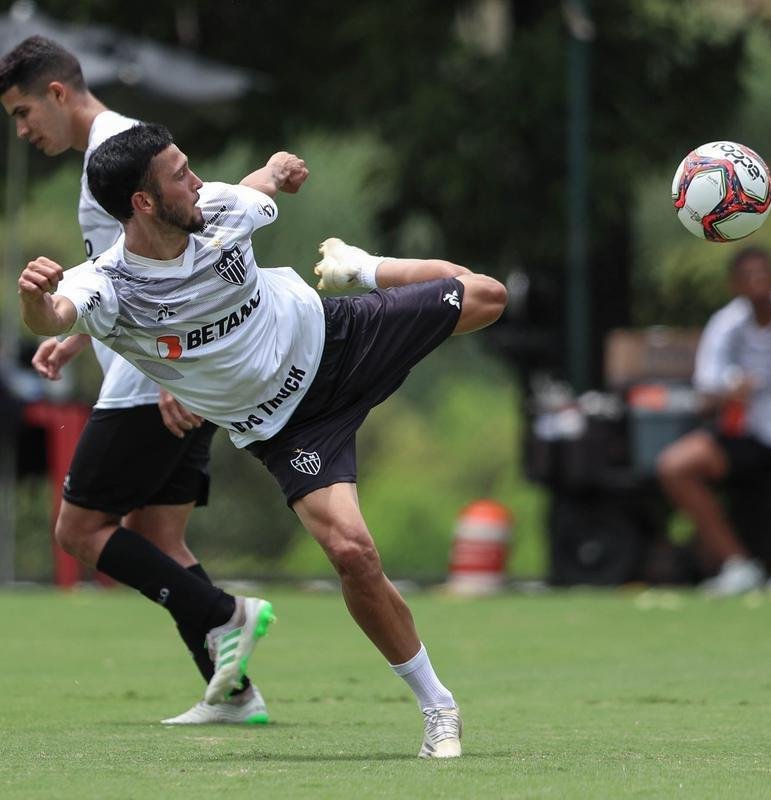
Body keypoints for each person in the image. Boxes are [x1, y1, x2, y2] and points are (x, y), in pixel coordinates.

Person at [18, 123, 507, 758]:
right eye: (179, 176)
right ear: (143, 203)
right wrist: (34, 299)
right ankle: (438, 706)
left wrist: (279, 168)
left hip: (338, 337)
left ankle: (362, 267)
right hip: (289, 427)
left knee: (488, 296)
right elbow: (54, 316)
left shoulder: (219, 207)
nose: (195, 183)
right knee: (353, 554)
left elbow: (257, 188)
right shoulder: (108, 284)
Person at [0, 35, 269, 724]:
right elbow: (128, 278)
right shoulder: (117, 152)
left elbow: (199, 238)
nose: (24, 130)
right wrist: (72, 335)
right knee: (157, 537)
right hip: (170, 372)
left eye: (24, 112)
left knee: (79, 530)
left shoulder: (118, 157)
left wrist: (175, 368)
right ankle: (233, 692)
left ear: (58, 94)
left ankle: (225, 612)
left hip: (155, 383)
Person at [657, 247, 771, 596]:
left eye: (763, 274)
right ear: (734, 285)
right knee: (676, 465)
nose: (758, 283)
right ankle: (737, 565)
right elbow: (705, 397)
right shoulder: (726, 325)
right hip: (752, 435)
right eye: (748, 277)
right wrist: (730, 394)